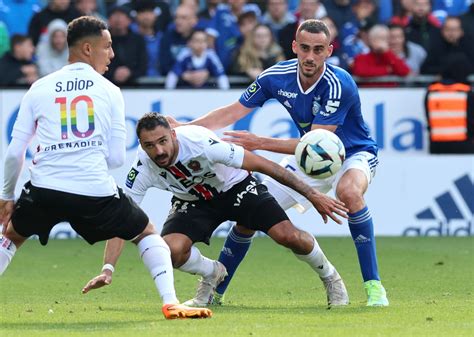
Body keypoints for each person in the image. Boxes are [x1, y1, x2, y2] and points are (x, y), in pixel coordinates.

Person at [0, 16, 211, 320]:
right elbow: (114, 158)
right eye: (107, 47)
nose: (112, 54)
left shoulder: (39, 88)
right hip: (93, 190)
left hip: (44, 188)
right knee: (147, 233)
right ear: (88, 48)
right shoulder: (110, 91)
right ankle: (170, 302)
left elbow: (13, 154)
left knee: (10, 237)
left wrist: (7, 197)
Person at [169, 19, 389, 307]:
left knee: (349, 193)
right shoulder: (276, 76)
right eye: (306, 48)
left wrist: (260, 142)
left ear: (329, 51)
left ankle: (374, 286)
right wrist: (184, 128)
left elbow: (319, 142)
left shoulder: (339, 84)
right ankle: (215, 291)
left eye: (318, 50)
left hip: (353, 154)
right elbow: (232, 111)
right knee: (250, 213)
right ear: (294, 47)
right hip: (308, 160)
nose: (310, 56)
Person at [81, 113, 350, 309]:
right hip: (194, 201)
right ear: (141, 146)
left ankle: (331, 277)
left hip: (237, 188)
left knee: (289, 236)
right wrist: (108, 268)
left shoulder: (199, 143)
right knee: (169, 251)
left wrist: (312, 194)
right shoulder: (142, 169)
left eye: (163, 141)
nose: (159, 150)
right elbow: (122, 219)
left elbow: (263, 165)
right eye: (150, 145)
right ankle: (213, 272)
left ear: (174, 134)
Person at [165, 29, 229, 89]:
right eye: (197, 41)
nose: (200, 44)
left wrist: (225, 93)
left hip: (207, 93)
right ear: (190, 43)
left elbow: (222, 76)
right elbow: (173, 75)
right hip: (186, 92)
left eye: (203, 41)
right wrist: (183, 75)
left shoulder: (211, 56)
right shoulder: (184, 54)